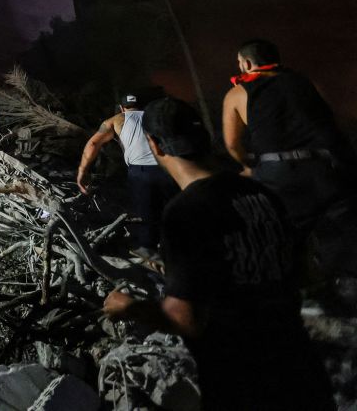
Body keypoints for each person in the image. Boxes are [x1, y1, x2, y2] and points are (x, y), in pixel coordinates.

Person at [103, 97, 333, 410]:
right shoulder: (260, 192)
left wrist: (126, 306)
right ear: (205, 138)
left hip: (242, 382)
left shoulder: (184, 213)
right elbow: (306, 272)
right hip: (302, 369)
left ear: (155, 146)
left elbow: (186, 320)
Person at [222, 39, 357, 274]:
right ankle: (346, 283)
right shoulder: (304, 82)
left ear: (246, 63)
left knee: (285, 235)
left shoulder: (238, 93)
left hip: (277, 173)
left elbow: (232, 144)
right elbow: (332, 122)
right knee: (342, 232)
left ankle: (305, 289)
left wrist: (248, 166)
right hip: (323, 166)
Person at [77, 94, 177, 257]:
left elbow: (94, 143)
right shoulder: (153, 116)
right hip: (169, 167)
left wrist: (82, 171)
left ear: (122, 108)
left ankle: (150, 251)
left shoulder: (117, 119)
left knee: (146, 212)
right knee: (175, 208)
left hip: (141, 171)